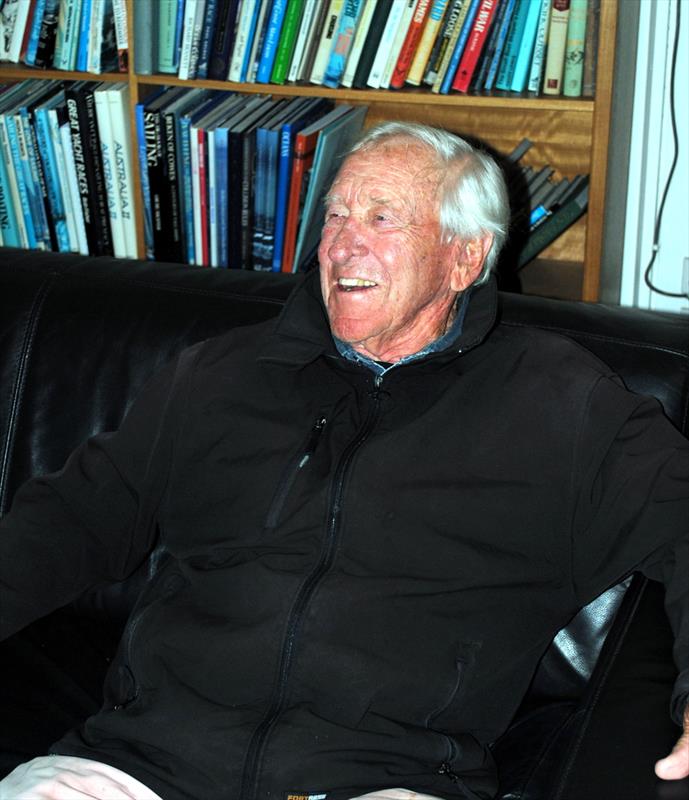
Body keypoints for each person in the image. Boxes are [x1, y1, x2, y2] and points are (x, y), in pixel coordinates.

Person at [0, 122, 687, 800]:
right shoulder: (222, 375)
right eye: (335, 215)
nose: (343, 243)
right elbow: (70, 517)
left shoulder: (559, 404)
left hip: (383, 779)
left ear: (464, 258)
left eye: (382, 218)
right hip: (142, 765)